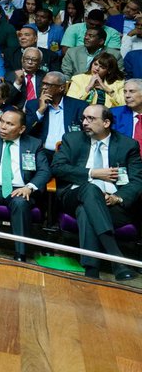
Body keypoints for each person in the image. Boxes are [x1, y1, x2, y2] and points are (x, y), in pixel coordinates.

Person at [51, 104, 142, 280]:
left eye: (91, 119)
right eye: (84, 118)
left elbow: (137, 180)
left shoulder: (127, 145)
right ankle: (116, 259)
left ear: (106, 122)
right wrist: (93, 173)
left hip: (112, 204)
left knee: (86, 211)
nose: (85, 122)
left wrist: (118, 198)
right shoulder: (72, 139)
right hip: (74, 195)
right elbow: (57, 168)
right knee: (91, 189)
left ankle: (91, 271)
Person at [0, 107, 50, 261]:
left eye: (10, 124)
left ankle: (20, 254)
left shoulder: (34, 144)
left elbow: (44, 171)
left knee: (20, 203)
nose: (3, 127)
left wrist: (29, 187)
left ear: (21, 129)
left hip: (20, 189)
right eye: (2, 122)